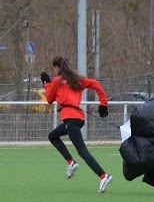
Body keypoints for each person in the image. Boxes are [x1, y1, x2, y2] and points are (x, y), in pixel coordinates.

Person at [40, 56, 113, 193]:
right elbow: (96, 84)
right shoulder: (77, 80)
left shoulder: (57, 80)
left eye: (54, 68)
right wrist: (103, 103)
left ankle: (104, 176)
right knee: (53, 136)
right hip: (78, 118)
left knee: (82, 151)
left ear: (57, 67)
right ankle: (71, 162)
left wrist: (47, 83)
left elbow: (49, 99)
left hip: (70, 119)